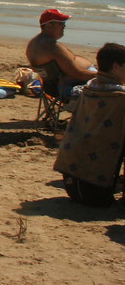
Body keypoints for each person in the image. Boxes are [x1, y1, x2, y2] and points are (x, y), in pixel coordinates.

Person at [53, 42, 125, 206]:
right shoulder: (119, 97)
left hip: (71, 180)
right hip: (96, 188)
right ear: (116, 67)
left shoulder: (88, 89)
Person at [25, 8, 97, 101]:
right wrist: (103, 75)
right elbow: (78, 74)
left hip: (50, 88)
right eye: (60, 23)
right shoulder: (52, 47)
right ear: (49, 25)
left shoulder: (33, 44)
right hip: (68, 87)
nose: (64, 26)